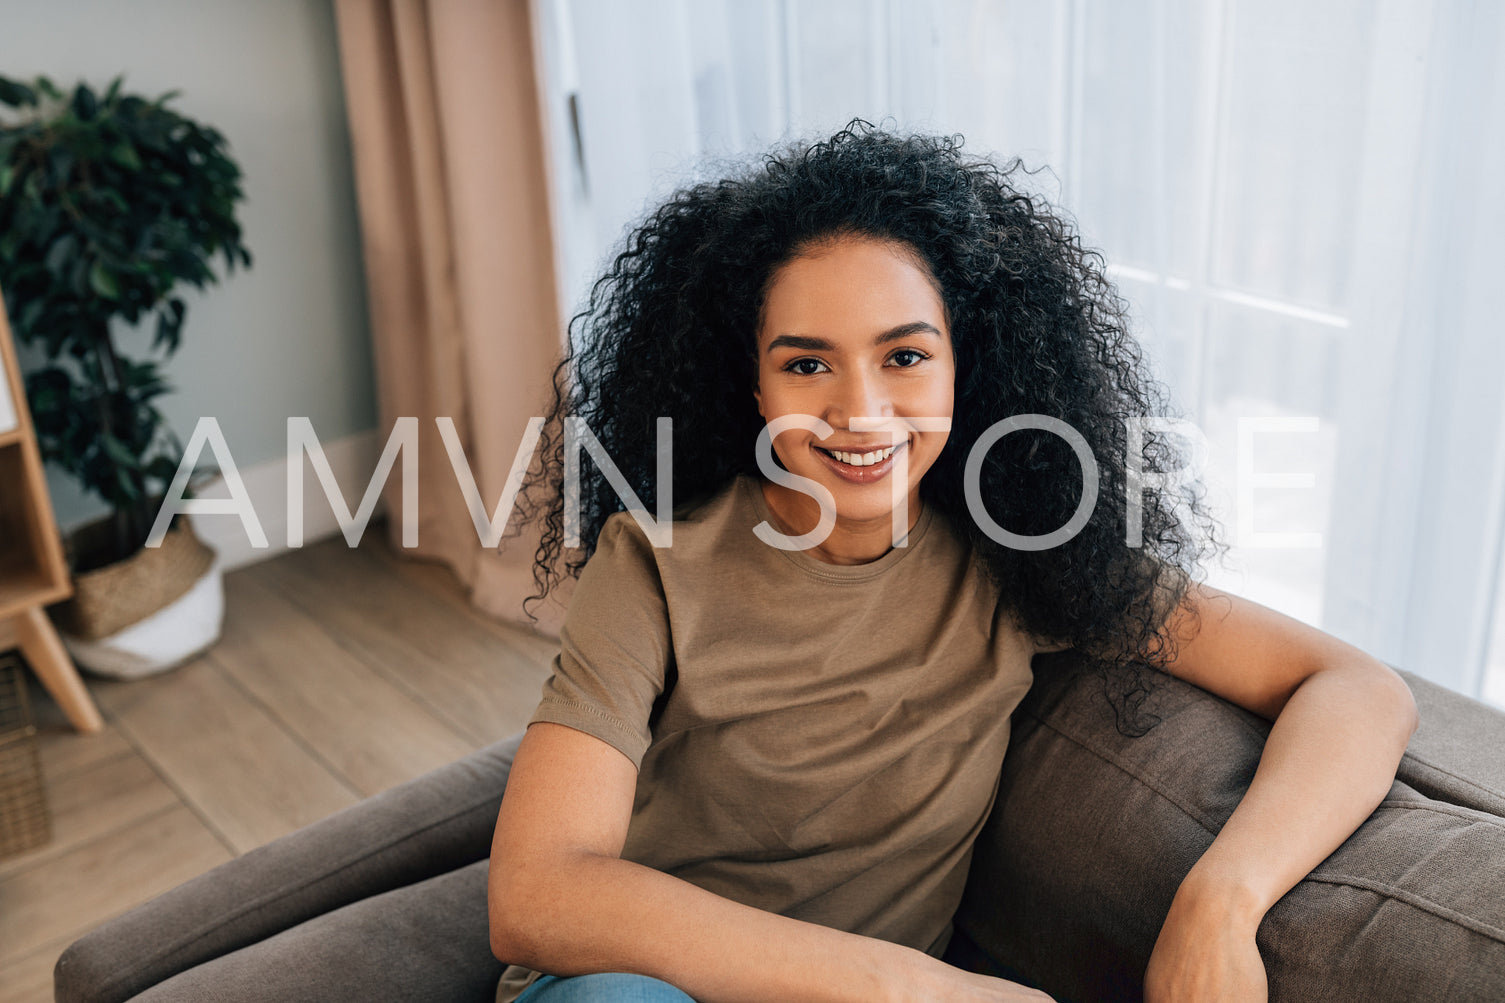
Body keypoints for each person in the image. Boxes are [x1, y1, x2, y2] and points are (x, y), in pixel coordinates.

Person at [486, 120, 1418, 1003]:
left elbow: (1354, 687)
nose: (861, 411)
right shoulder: (652, 559)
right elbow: (535, 893)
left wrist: (1223, 900)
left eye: (904, 356)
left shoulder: (1022, 556)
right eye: (807, 365)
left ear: (967, 363)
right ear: (753, 383)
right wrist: (911, 985)